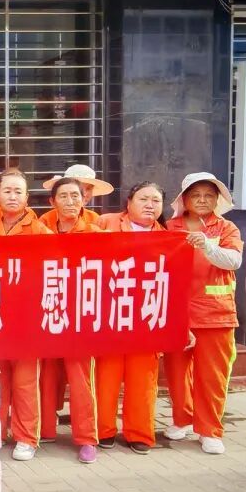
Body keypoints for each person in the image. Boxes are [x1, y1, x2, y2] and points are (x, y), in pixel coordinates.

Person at [163, 173, 243, 455]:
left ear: (217, 200)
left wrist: (208, 245)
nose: (202, 200)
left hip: (215, 314)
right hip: (176, 313)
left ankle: (209, 430)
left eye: (209, 195)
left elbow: (234, 261)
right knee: (176, 373)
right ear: (184, 199)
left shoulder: (226, 227)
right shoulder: (170, 227)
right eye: (195, 195)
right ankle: (182, 419)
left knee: (212, 376)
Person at [0, 170, 51, 462]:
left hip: (27, 318)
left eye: (18, 191)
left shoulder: (41, 232)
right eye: (7, 191)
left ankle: (26, 437)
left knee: (25, 382)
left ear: (27, 197)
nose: (12, 196)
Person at [94, 182, 166, 454]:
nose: (150, 205)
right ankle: (103, 430)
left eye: (156, 200)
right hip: (110, 313)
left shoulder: (169, 237)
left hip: (146, 316)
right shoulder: (106, 223)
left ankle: (140, 433)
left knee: (143, 379)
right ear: (129, 203)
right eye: (144, 199)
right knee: (106, 377)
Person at [37, 178, 101, 464]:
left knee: (80, 378)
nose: (70, 201)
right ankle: (46, 430)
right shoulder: (40, 229)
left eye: (75, 195)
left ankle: (86, 438)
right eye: (63, 196)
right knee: (47, 374)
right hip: (47, 310)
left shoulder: (95, 231)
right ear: (52, 202)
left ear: (84, 199)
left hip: (80, 315)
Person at [38, 164, 111, 230]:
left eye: (88, 188)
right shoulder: (45, 220)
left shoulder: (95, 220)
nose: (84, 193)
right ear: (53, 202)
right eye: (80, 188)